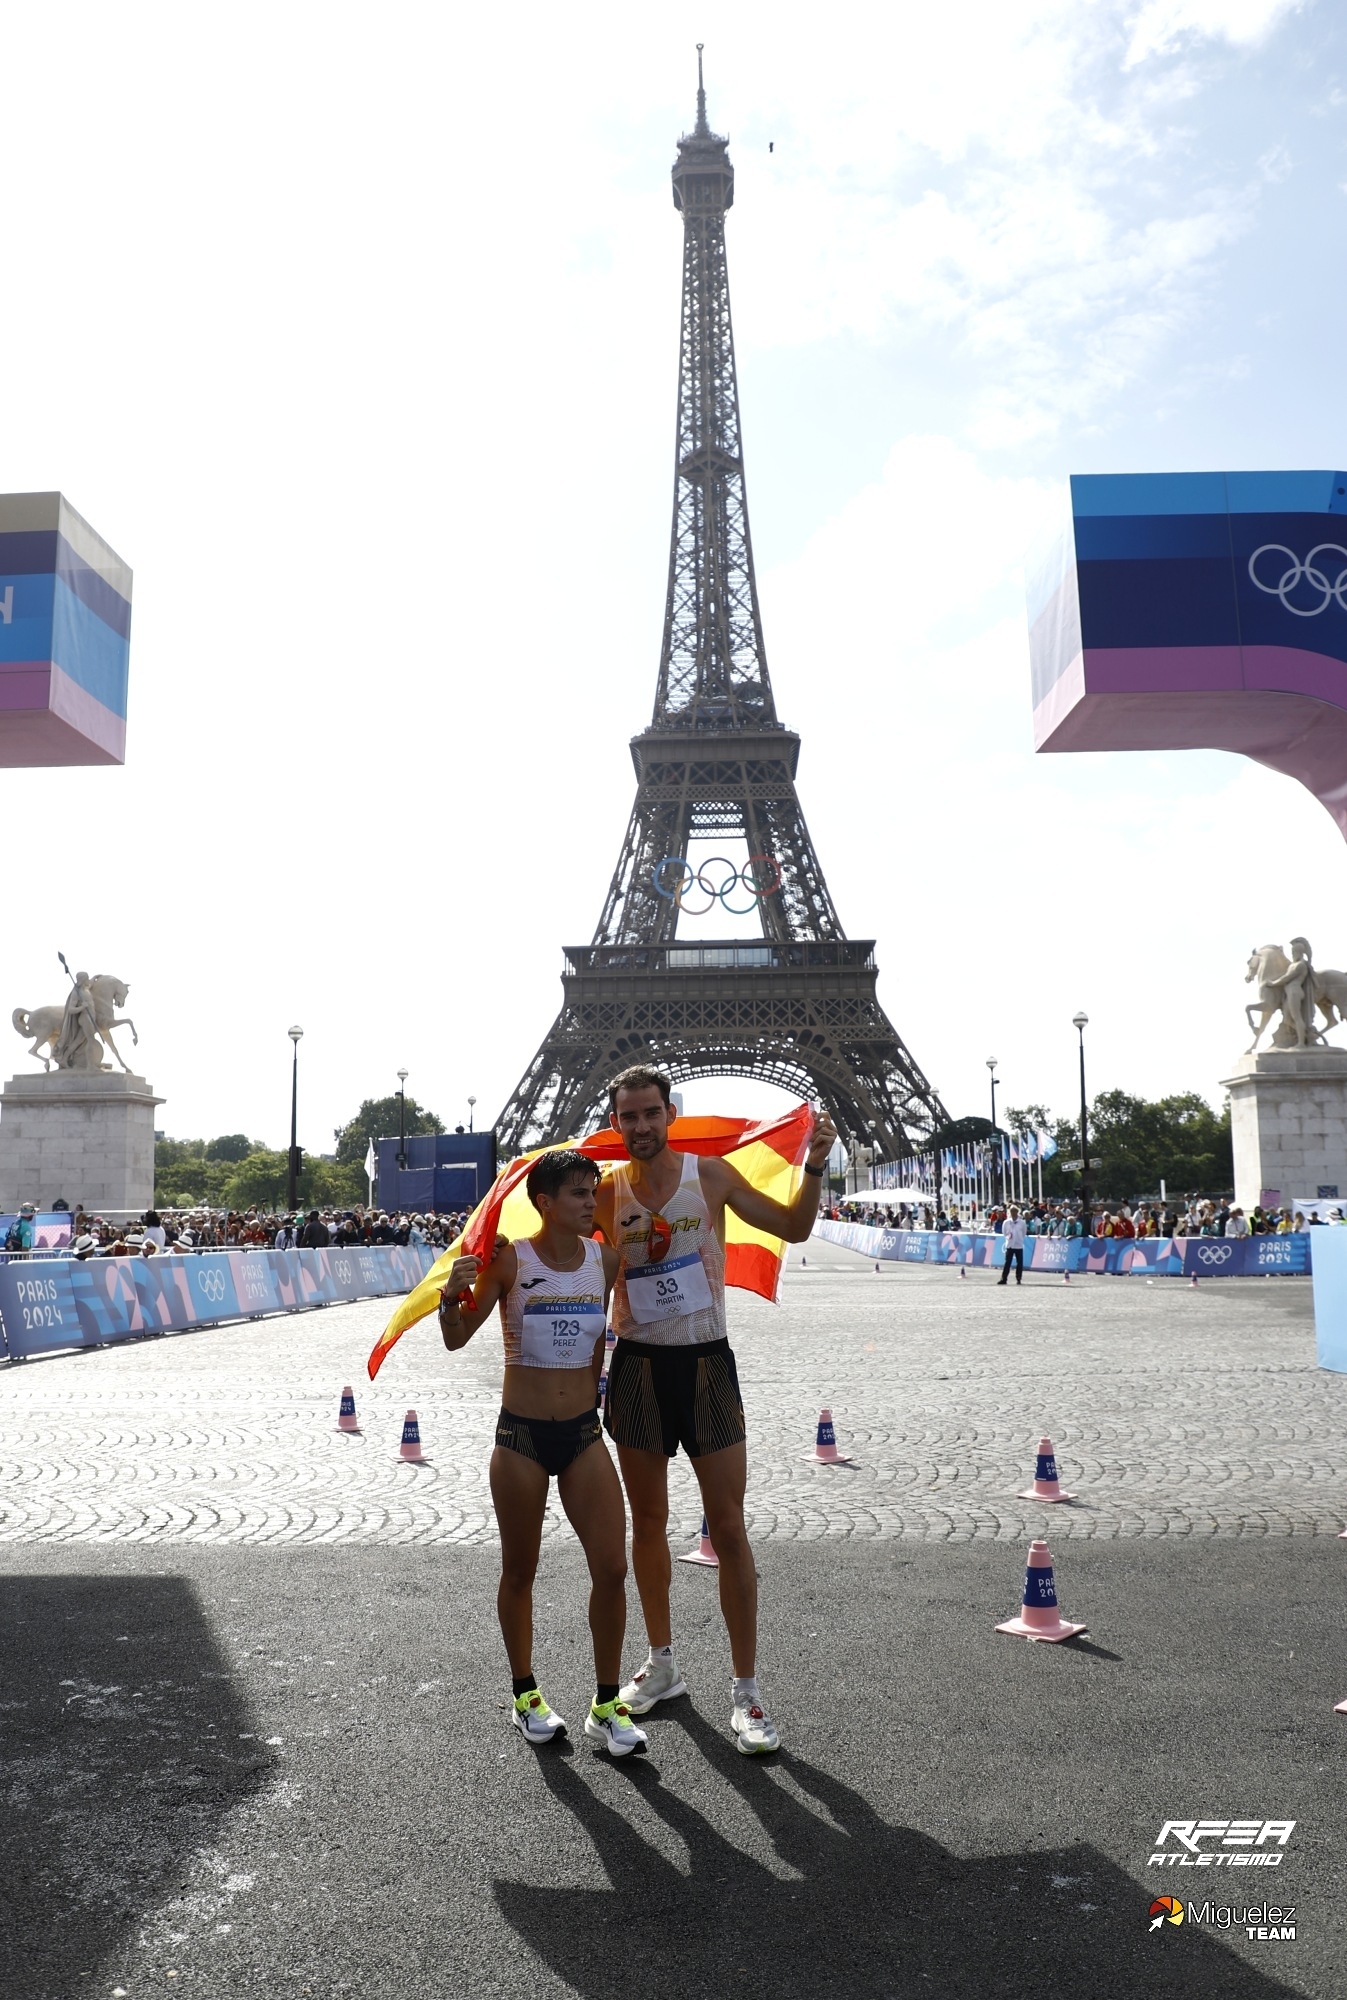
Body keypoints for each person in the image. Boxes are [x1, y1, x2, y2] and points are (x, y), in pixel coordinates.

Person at [595, 1064, 837, 1756]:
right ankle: (662, 1661)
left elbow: (791, 1226)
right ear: (616, 1124)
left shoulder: (713, 1176)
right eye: (627, 1117)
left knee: (727, 1527)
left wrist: (813, 1165)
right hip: (637, 1366)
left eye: (649, 1113)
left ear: (669, 1112)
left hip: (705, 1364)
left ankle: (746, 1691)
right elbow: (594, 1275)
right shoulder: (607, 1193)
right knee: (647, 1524)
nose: (639, 1126)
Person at [437, 1149, 646, 1758]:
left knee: (612, 1569)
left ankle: (607, 1705)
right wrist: (453, 1295)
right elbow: (454, 1338)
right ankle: (525, 1694)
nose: (590, 1203)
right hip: (521, 1438)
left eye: (593, 1191)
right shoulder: (509, 1261)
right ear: (545, 1203)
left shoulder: (605, 1261)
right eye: (579, 1194)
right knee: (520, 1571)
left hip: (583, 1434)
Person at [998, 1204, 1027, 1285]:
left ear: (1017, 1212)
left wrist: (1019, 1238)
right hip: (1010, 1244)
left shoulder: (1022, 1222)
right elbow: (1004, 1232)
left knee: (1019, 1263)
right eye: (1011, 1211)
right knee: (1007, 1262)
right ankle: (1004, 1279)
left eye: (1015, 1211)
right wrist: (1008, 1238)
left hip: (1018, 1245)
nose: (1013, 1213)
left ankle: (1018, 1278)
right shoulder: (1006, 1222)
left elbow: (1024, 1232)